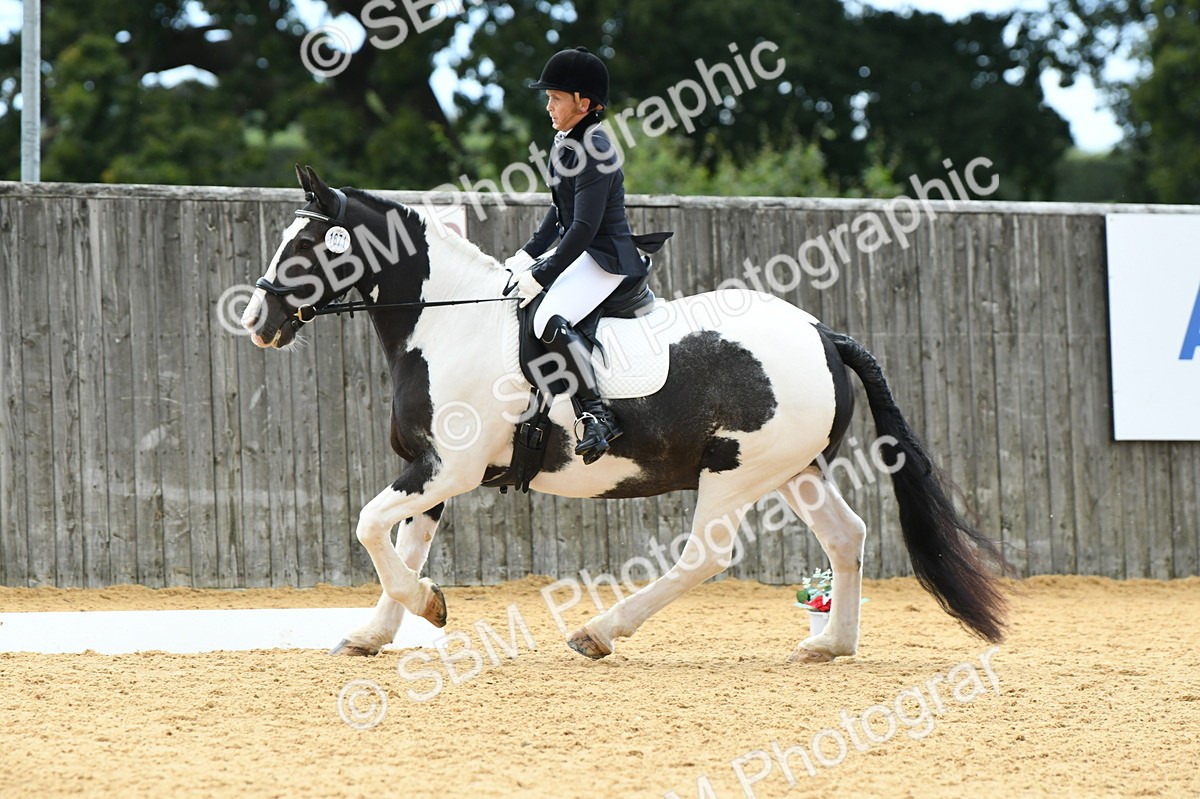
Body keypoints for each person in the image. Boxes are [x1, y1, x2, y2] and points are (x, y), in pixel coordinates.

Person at [505, 46, 648, 465]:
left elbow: (584, 229)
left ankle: (597, 415)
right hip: (586, 251)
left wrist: (544, 273)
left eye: (556, 98)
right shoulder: (569, 140)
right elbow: (559, 211)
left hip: (607, 258)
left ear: (583, 103)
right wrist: (526, 255)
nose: (548, 105)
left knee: (550, 317)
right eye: (548, 97)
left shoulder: (596, 148)